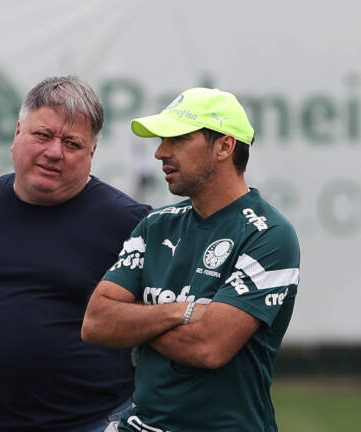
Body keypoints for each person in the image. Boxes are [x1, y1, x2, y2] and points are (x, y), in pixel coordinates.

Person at [0, 76, 151, 432]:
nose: (54, 151)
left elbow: (152, 322)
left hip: (88, 422)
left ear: (91, 153)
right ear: (17, 134)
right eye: (42, 135)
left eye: (72, 143)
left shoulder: (129, 222)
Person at [82, 87, 300, 432]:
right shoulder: (155, 225)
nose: (159, 152)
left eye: (178, 139)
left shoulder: (269, 235)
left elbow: (208, 347)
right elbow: (95, 323)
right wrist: (179, 312)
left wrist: (133, 320)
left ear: (225, 147)